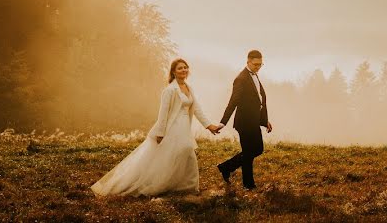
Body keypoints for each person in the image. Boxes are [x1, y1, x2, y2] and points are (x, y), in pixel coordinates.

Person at [91, 58, 223, 196]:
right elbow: (163, 113)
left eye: (185, 67)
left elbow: (196, 109)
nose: (184, 70)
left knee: (186, 152)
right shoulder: (170, 90)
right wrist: (160, 132)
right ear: (173, 72)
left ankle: (186, 186)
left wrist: (209, 126)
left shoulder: (189, 88)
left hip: (184, 127)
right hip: (172, 127)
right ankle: (164, 184)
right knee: (181, 151)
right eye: (180, 68)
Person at [217, 50, 272, 190]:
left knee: (257, 149)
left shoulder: (254, 76)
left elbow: (259, 101)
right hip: (244, 123)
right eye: (255, 65)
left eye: (260, 65)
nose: (258, 67)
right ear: (248, 61)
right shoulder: (241, 79)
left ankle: (226, 167)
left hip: (254, 122)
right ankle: (248, 185)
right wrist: (223, 122)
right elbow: (233, 102)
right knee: (249, 152)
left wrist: (265, 121)